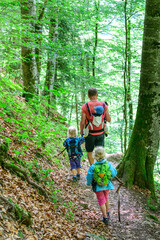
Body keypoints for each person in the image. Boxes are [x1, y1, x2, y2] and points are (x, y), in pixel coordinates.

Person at [80, 87, 111, 165]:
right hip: (100, 133)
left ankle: (92, 168)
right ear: (97, 95)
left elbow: (82, 121)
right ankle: (100, 170)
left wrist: (81, 132)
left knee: (89, 152)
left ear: (88, 96)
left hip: (89, 133)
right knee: (100, 152)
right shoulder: (103, 105)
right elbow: (109, 119)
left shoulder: (85, 106)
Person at [86, 146, 117, 224]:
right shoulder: (108, 164)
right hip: (107, 185)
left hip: (97, 186)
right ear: (104, 155)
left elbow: (89, 176)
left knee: (101, 200)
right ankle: (107, 212)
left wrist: (88, 183)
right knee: (106, 198)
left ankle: (105, 217)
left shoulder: (93, 166)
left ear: (94, 156)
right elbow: (114, 173)